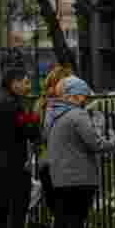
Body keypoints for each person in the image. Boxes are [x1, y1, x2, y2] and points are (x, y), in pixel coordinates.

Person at [44, 76, 115, 228]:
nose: (85, 100)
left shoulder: (52, 113)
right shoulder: (77, 115)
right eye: (83, 96)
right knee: (76, 220)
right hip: (79, 175)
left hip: (58, 175)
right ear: (74, 96)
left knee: (63, 219)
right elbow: (95, 143)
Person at [0, 67, 42, 228]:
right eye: (26, 82)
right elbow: (28, 129)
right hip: (14, 162)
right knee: (18, 210)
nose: (28, 86)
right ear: (14, 83)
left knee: (0, 209)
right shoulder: (13, 104)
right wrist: (34, 120)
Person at [34, 64, 73, 213]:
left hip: (45, 162)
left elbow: (38, 135)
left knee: (56, 210)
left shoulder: (40, 105)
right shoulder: (62, 107)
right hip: (64, 164)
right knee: (69, 211)